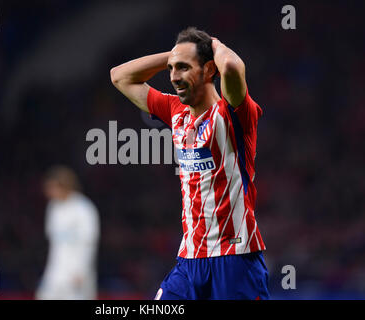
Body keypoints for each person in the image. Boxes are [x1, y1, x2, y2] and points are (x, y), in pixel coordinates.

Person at [110, 27, 269, 300]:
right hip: (190, 260)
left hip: (235, 259)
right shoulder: (175, 111)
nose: (173, 77)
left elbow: (231, 66)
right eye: (172, 69)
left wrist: (214, 45)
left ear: (209, 70)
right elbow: (120, 77)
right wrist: (174, 56)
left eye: (183, 68)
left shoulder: (233, 115)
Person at [36, 165, 100, 300]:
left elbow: (89, 243)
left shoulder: (83, 209)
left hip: (77, 274)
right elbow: (54, 242)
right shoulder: (53, 208)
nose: (49, 192)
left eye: (53, 187)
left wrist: (81, 271)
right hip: (55, 271)